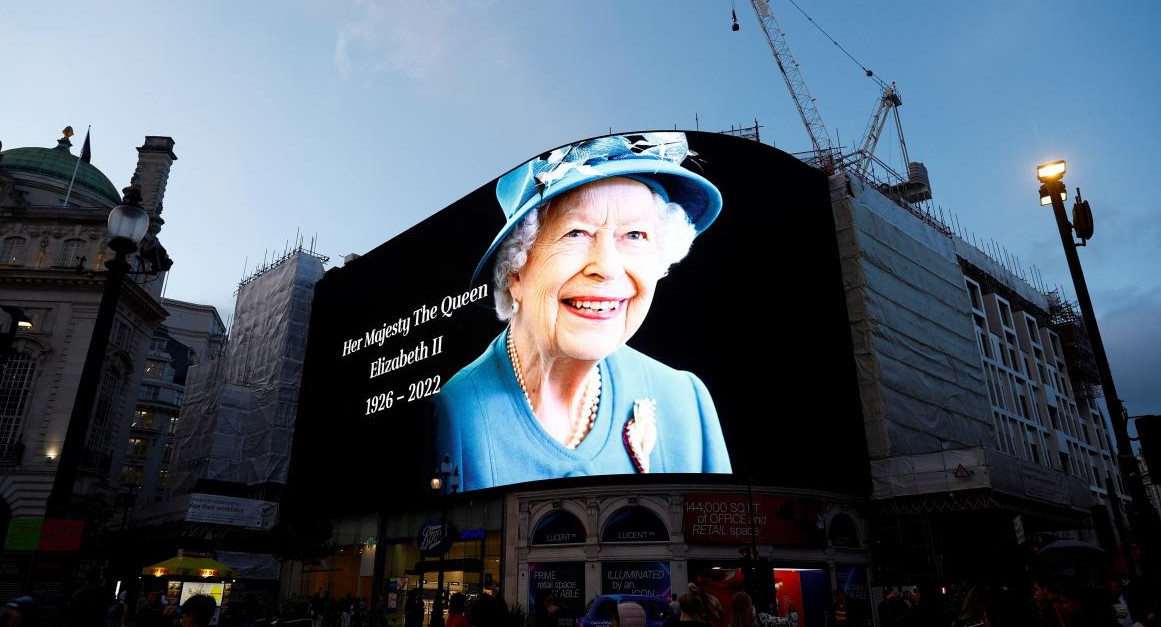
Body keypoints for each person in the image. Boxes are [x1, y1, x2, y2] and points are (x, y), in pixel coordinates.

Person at [435, 131, 731, 492]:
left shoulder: (686, 403)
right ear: (515, 271)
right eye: (576, 233)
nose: (606, 267)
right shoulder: (456, 417)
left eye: (634, 235)